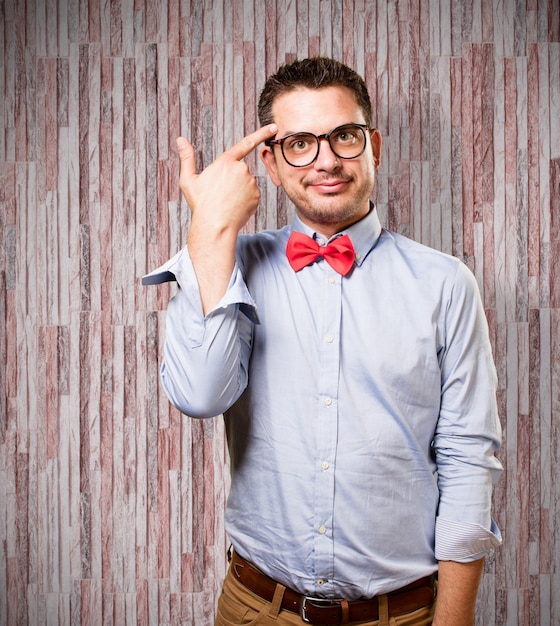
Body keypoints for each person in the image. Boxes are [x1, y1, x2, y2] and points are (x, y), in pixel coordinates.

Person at [144, 57, 503, 626]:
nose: (327, 160)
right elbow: (200, 395)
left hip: (403, 614)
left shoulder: (445, 284)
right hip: (255, 609)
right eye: (300, 143)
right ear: (269, 161)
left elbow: (466, 459)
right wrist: (210, 230)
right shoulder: (226, 263)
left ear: (373, 145)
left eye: (343, 136)